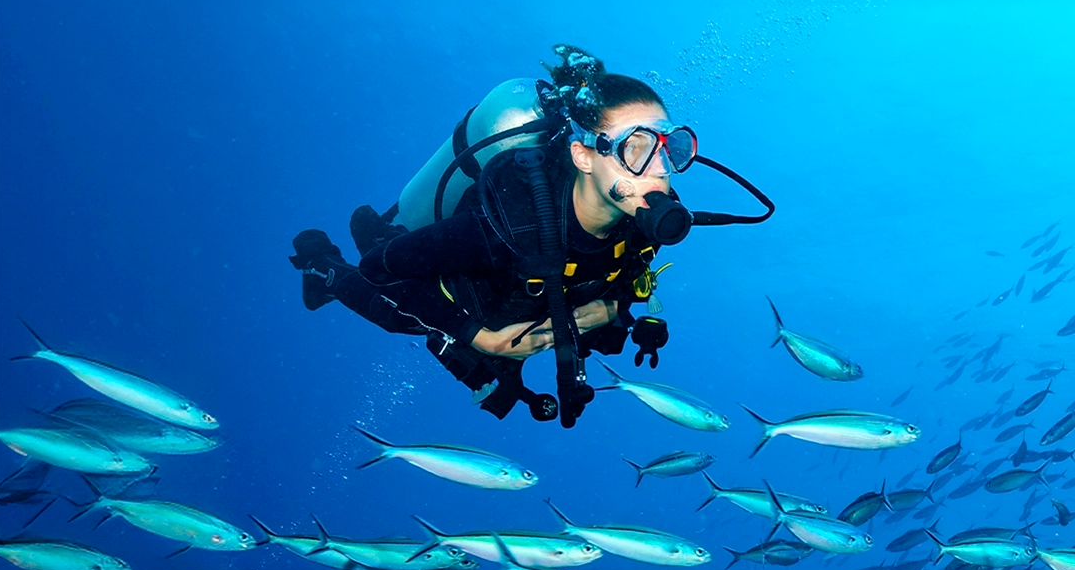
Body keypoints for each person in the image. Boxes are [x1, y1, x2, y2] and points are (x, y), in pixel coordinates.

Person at [289, 48, 772, 425]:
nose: (660, 171)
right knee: (393, 311)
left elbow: (629, 276)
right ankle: (324, 264)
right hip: (466, 295)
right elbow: (380, 271)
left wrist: (615, 309)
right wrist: (480, 337)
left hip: (530, 305)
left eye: (670, 149)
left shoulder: (642, 214)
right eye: (637, 148)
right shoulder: (505, 225)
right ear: (584, 155)